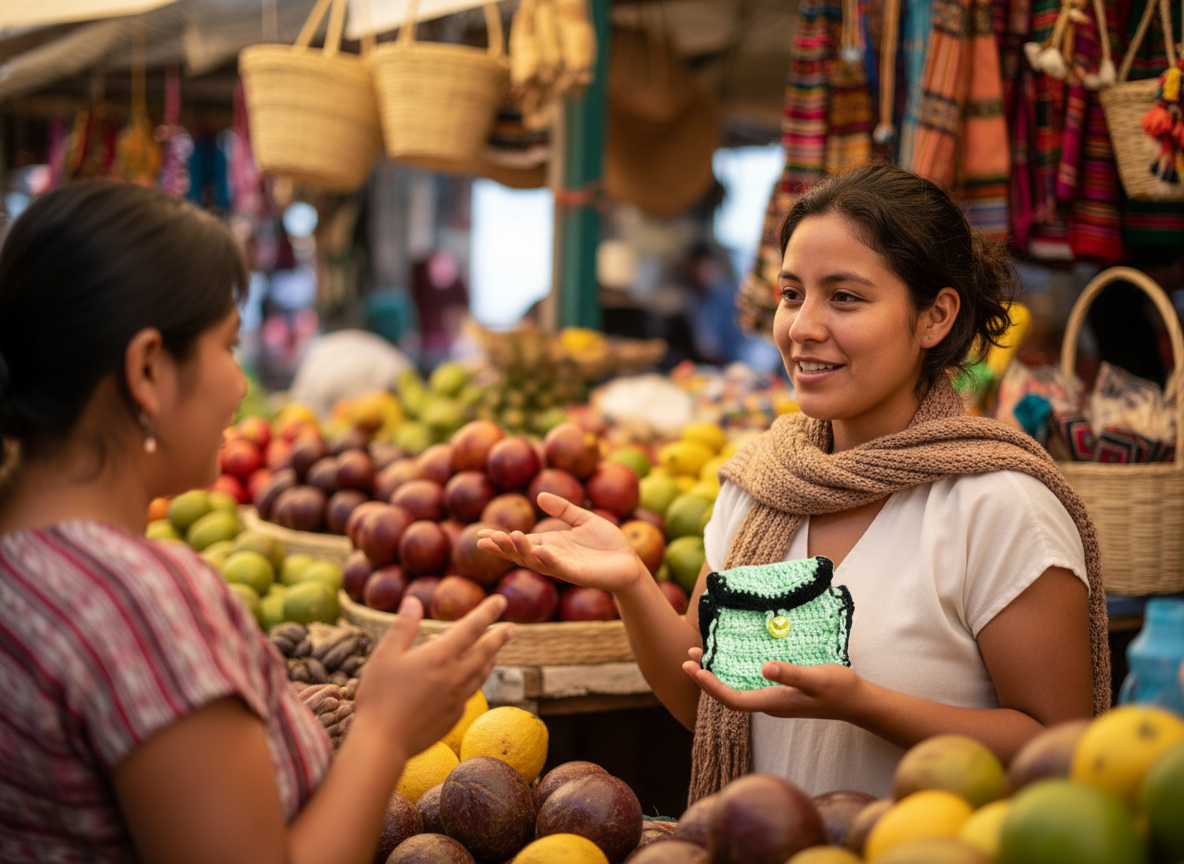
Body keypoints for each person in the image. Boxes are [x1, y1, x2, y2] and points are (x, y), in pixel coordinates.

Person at [479, 164, 1109, 802]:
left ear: (935, 317)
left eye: (844, 297)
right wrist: (632, 584)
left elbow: (1061, 749)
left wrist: (860, 703)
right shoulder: (763, 486)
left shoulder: (998, 505)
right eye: (791, 294)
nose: (803, 326)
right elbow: (712, 711)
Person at [0, 181, 513, 864]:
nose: (243, 385)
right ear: (148, 369)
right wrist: (385, 732)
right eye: (227, 346)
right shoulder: (144, 600)